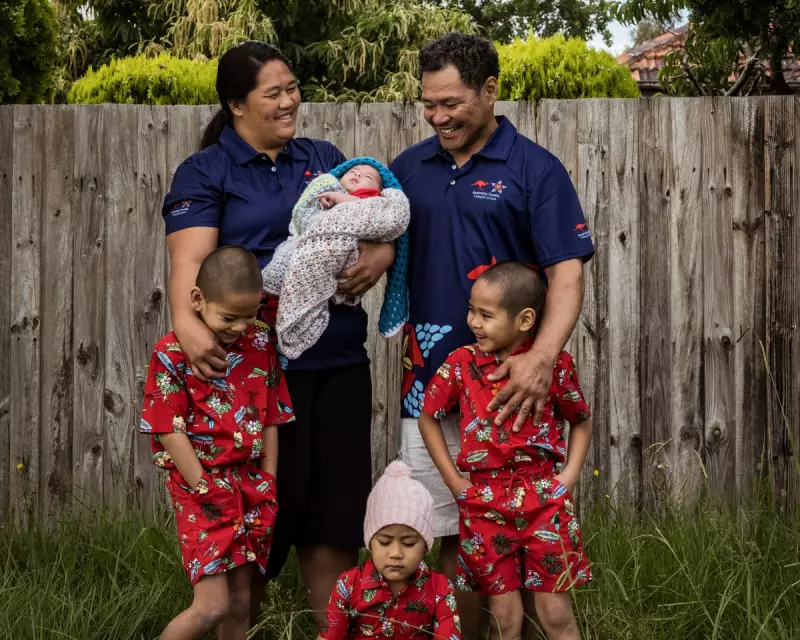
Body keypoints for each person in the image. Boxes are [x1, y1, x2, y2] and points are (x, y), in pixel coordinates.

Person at [161, 41, 396, 632]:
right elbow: (188, 270)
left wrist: (382, 253)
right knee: (262, 513)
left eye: (293, 87)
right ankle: (244, 625)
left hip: (338, 361)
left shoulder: (325, 157)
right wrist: (190, 334)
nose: (291, 100)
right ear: (237, 105)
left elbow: (372, 214)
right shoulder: (205, 171)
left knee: (334, 512)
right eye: (275, 93)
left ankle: (332, 629)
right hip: (253, 377)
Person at [389, 32, 595, 637]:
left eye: (451, 102)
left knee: (527, 559)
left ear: (490, 90)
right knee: (450, 542)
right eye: (429, 103)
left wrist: (541, 361)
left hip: (511, 393)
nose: (438, 116)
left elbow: (565, 274)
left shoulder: (535, 169)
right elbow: (380, 251)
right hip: (428, 383)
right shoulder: (409, 168)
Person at [418, 262, 593, 640]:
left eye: (485, 315)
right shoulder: (460, 365)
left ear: (525, 319)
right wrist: (455, 483)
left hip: (543, 498)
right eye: (471, 310)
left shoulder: (554, 368)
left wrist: (568, 478)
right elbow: (428, 418)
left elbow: (581, 420)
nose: (473, 322)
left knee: (556, 613)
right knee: (505, 618)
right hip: (484, 503)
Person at [139, 246, 294, 639]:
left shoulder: (259, 346)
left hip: (251, 487)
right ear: (198, 300)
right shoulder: (172, 354)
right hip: (202, 490)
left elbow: (271, 415)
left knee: (240, 605)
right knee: (212, 606)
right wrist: (202, 485)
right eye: (229, 317)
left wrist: (268, 479)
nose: (241, 327)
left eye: (250, 315)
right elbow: (167, 427)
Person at [263, 157, 410, 360]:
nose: (358, 175)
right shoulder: (330, 189)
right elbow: (305, 218)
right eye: (354, 171)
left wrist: (339, 200)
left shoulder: (371, 199)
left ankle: (301, 310)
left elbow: (372, 213)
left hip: (347, 256)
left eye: (368, 176)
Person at [317, 460, 462, 640]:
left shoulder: (440, 589)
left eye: (408, 543)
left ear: (426, 546)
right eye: (384, 542)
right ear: (370, 543)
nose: (396, 554)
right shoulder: (349, 585)